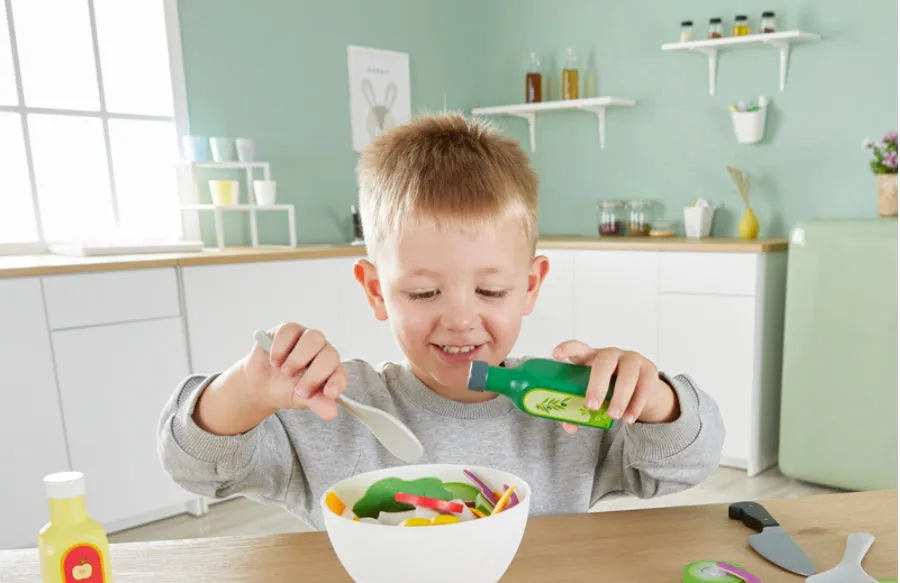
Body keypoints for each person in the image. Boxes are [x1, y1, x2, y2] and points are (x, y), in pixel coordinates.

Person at [158, 113, 724, 527]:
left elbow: (687, 464)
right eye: (425, 291)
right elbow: (197, 469)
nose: (459, 318)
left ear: (529, 287)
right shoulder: (333, 409)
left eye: (490, 289)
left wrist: (651, 399)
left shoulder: (567, 408)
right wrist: (248, 391)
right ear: (377, 292)